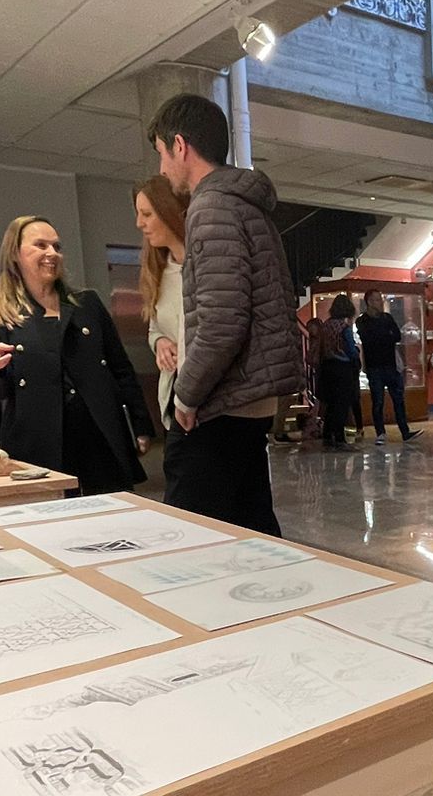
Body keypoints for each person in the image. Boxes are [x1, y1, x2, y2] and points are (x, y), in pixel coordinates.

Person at [148, 92, 303, 534]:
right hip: (249, 399)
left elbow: (220, 320)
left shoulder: (211, 206)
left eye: (162, 153)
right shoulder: (245, 204)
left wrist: (186, 396)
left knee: (191, 542)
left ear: (180, 146)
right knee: (251, 534)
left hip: (222, 403)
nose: (162, 169)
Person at [0, 215, 153, 496]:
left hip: (99, 436)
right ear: (15, 254)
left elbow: (121, 368)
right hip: (38, 443)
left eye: (57, 246)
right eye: (41, 245)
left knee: (115, 521)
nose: (52, 253)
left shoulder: (87, 304)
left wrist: (141, 424)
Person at [135, 173, 188, 420]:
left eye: (147, 214)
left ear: (168, 212)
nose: (139, 223)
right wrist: (160, 344)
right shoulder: (159, 271)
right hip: (173, 397)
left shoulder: (206, 269)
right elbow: (155, 328)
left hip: (210, 402)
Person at [356, 292, 417, 444]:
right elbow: (369, 339)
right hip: (374, 367)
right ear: (369, 302)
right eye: (377, 300)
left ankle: (405, 431)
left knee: (398, 399)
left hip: (391, 366)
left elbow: (396, 335)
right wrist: (385, 336)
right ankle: (380, 433)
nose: (380, 303)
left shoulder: (387, 318)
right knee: (378, 401)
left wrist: (382, 336)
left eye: (381, 299)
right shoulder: (362, 320)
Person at [316, 294, 361, 450]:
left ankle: (328, 436)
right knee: (342, 403)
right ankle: (340, 438)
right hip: (342, 368)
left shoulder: (325, 325)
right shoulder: (344, 327)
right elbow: (350, 349)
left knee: (330, 403)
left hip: (327, 367)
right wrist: (356, 356)